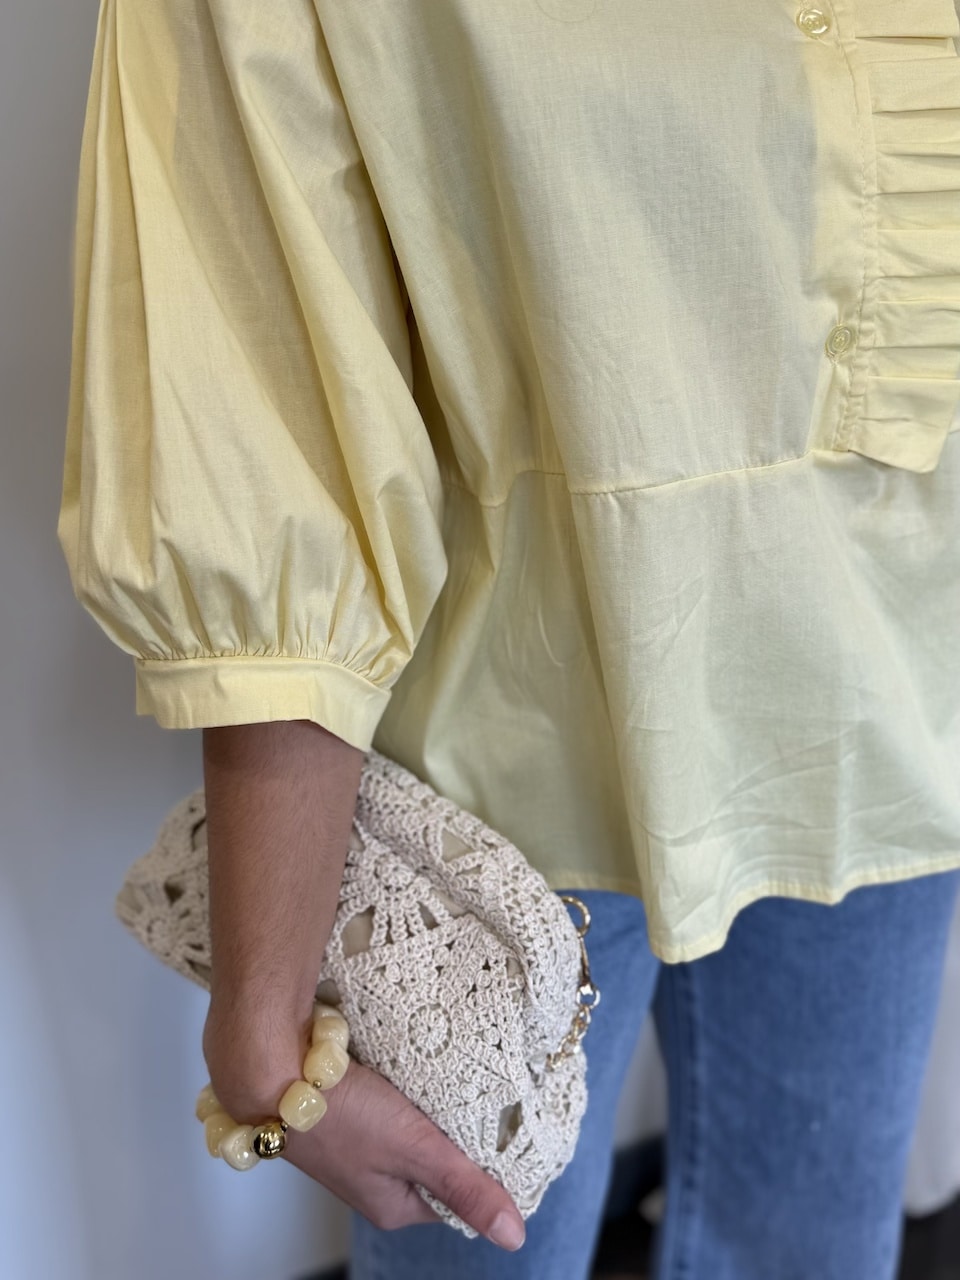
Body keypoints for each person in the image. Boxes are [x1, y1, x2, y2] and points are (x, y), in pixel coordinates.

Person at [57, 1, 960, 1277]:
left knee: (811, 1241)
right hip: (501, 777)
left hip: (898, 690)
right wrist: (269, 1033)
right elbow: (255, 375)